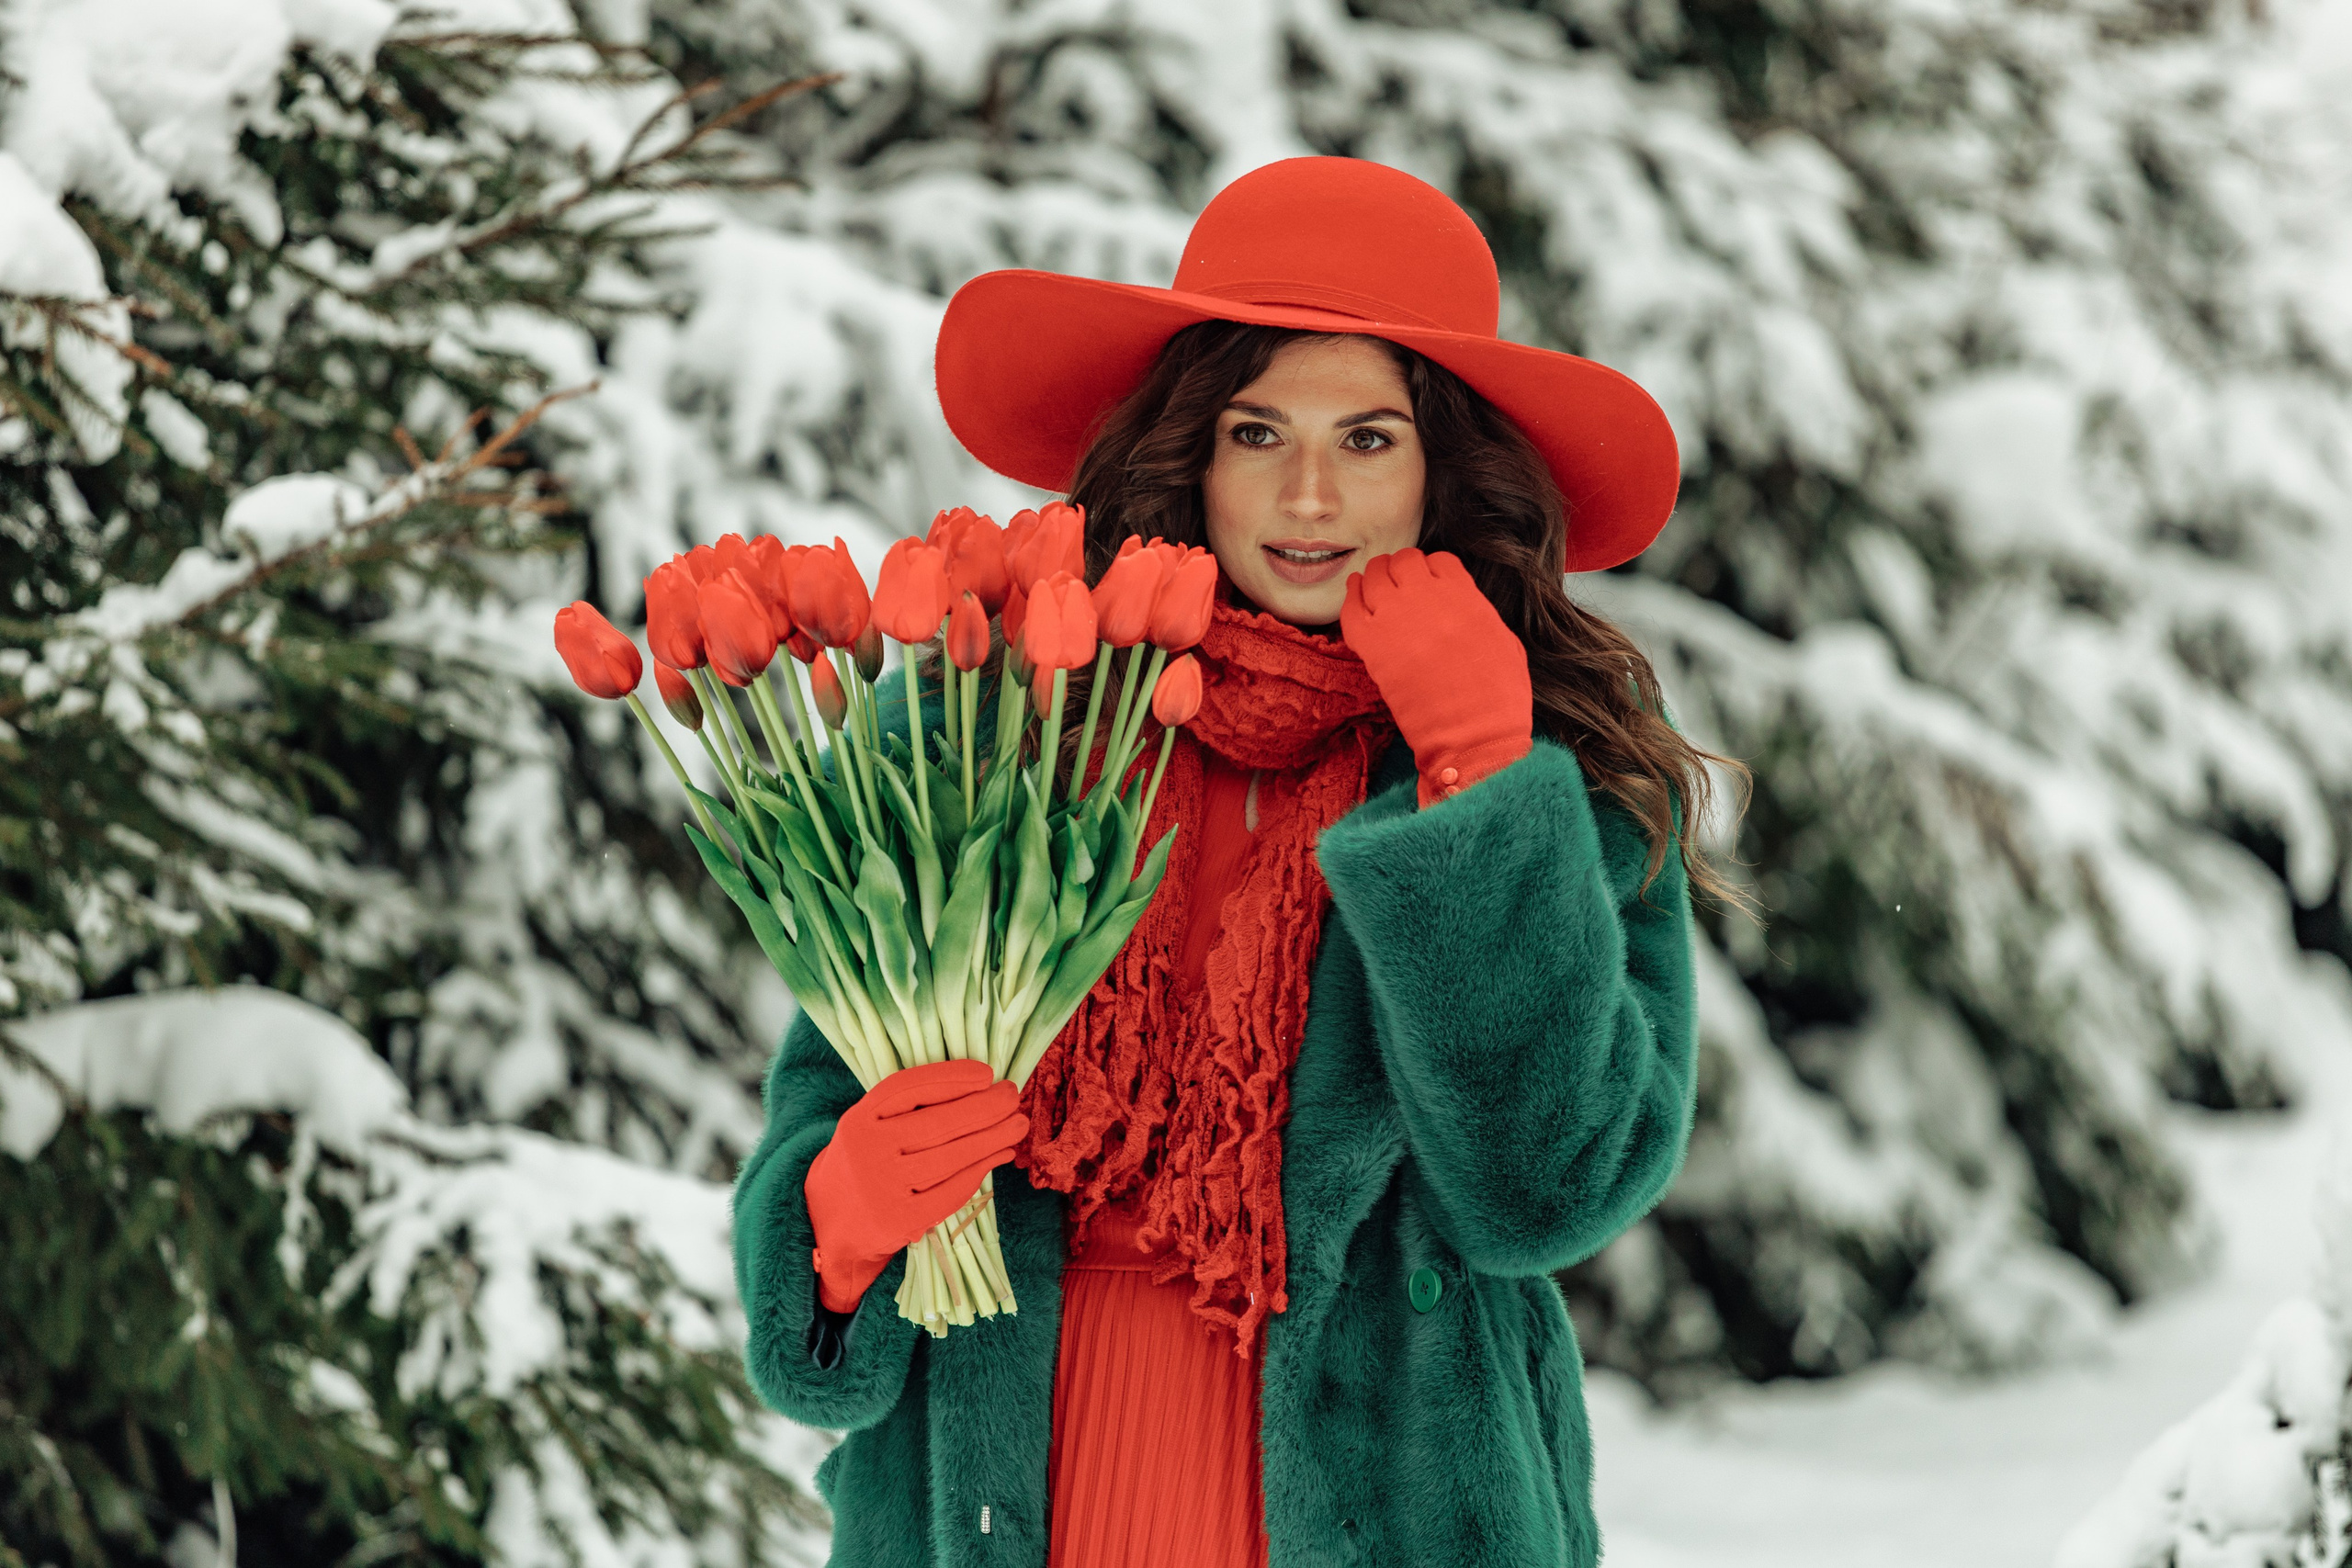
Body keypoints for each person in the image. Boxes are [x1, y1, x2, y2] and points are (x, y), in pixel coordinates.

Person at [732, 156, 1735, 1568]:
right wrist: (835, 1224)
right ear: (1192, 449)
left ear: (1447, 470)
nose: (1309, 492)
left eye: (1370, 438)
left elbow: (1547, 1193)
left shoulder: (1538, 785)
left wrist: (1475, 779)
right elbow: (816, 1238)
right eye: (1259, 431)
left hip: (1391, 1512)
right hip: (1001, 1493)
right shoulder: (985, 735)